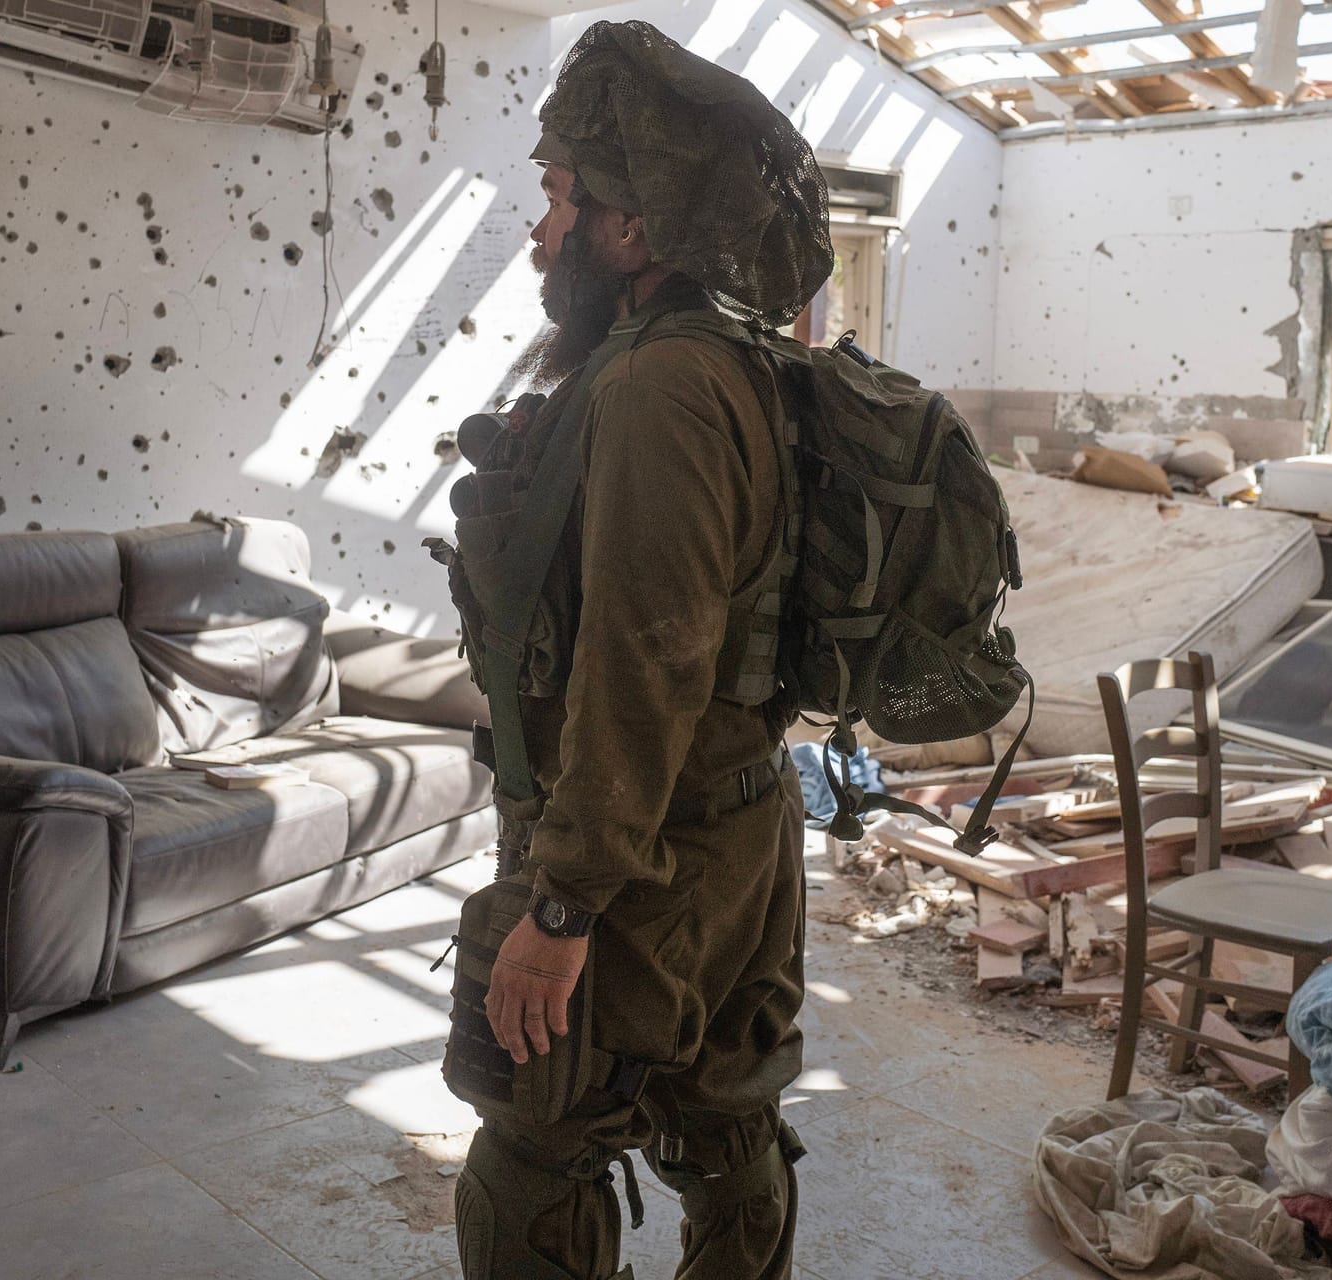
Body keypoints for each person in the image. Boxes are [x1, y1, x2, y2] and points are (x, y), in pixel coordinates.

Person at [449, 19, 834, 1280]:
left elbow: (645, 657)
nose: (541, 228)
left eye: (562, 199)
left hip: (647, 859)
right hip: (733, 825)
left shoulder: (658, 383)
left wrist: (562, 905)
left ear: (631, 227)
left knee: (535, 1151)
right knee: (727, 1119)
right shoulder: (743, 364)